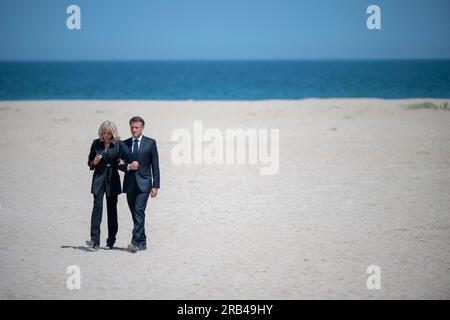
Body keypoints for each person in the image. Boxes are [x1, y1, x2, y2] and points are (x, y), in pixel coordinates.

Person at [119, 116, 160, 253]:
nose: (134, 130)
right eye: (132, 127)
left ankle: (135, 243)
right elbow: (119, 164)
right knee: (135, 214)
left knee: (138, 211)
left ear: (142, 128)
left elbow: (155, 166)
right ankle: (142, 242)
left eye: (137, 127)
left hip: (145, 184)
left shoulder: (150, 143)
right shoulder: (123, 144)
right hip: (130, 184)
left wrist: (155, 186)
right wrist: (128, 166)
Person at [86, 121, 124, 250]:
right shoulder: (96, 143)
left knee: (112, 210)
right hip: (98, 179)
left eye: (108, 133)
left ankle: (111, 240)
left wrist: (122, 162)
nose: (106, 135)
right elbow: (89, 163)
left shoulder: (119, 144)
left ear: (113, 133)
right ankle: (94, 240)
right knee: (97, 208)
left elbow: (121, 160)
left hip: (112, 179)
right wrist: (94, 162)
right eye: (104, 133)